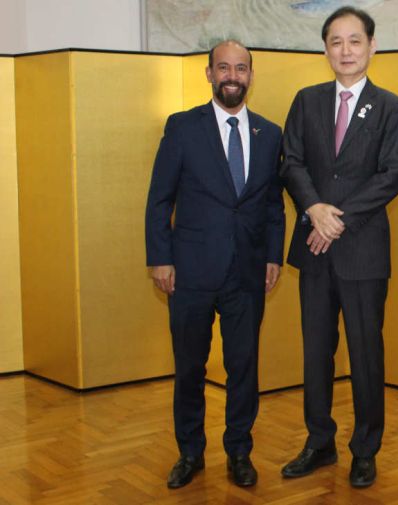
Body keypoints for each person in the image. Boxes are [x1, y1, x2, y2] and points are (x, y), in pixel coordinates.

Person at [144, 40, 285, 489]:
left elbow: (273, 207)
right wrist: (160, 258)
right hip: (189, 273)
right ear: (208, 74)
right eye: (223, 67)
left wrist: (272, 257)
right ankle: (190, 453)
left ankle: (239, 452)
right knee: (190, 367)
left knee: (244, 366)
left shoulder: (270, 134)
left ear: (250, 75)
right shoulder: (183, 127)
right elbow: (159, 200)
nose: (232, 76)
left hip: (247, 272)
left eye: (240, 68)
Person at [278, 6, 398, 489]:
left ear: (372, 47)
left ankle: (365, 448)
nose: (346, 50)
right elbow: (291, 162)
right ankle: (319, 441)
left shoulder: (392, 106)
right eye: (336, 41)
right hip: (314, 247)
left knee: (365, 353)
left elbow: (391, 175)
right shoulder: (307, 100)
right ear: (325, 49)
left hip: (362, 251)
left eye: (355, 41)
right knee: (317, 351)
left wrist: (336, 220)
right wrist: (315, 210)